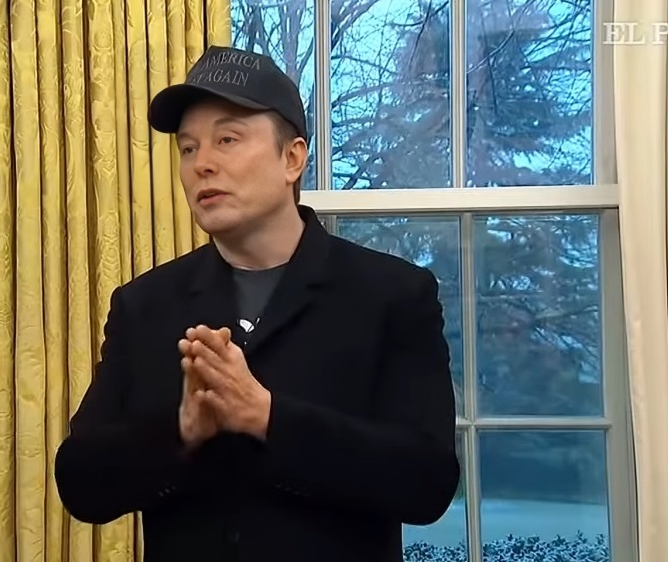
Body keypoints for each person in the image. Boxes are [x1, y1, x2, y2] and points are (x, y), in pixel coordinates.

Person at [54, 45, 460, 562]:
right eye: (187, 148)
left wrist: (268, 417)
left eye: (227, 139)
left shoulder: (393, 295)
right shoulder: (144, 306)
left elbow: (427, 482)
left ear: (292, 158)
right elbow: (80, 482)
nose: (202, 164)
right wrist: (180, 432)